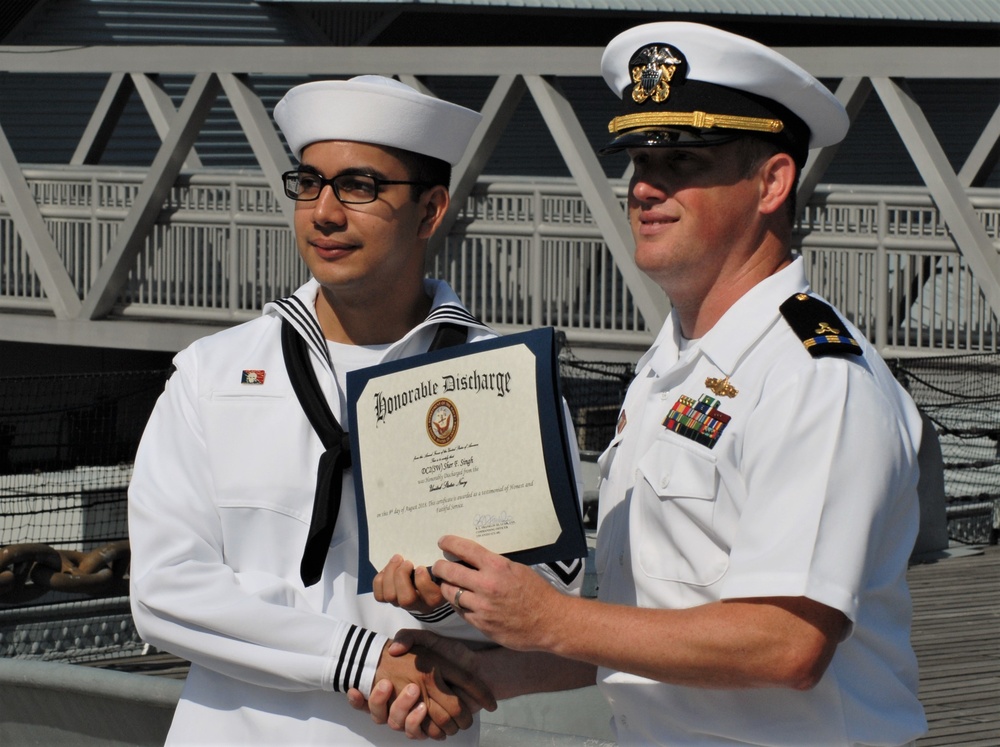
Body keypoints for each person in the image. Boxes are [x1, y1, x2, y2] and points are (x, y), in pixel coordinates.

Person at [363, 22, 928, 746]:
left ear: (773, 182)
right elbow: (656, 622)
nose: (647, 188)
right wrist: (491, 668)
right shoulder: (670, 364)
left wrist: (553, 618)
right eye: (638, 160)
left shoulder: (813, 376)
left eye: (685, 160)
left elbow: (786, 642)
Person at [128, 74, 583, 745]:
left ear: (430, 211)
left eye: (360, 186)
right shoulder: (211, 374)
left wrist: (440, 609)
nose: (325, 212)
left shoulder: (508, 381)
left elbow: (552, 599)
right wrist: (361, 656)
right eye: (309, 183)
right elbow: (164, 592)